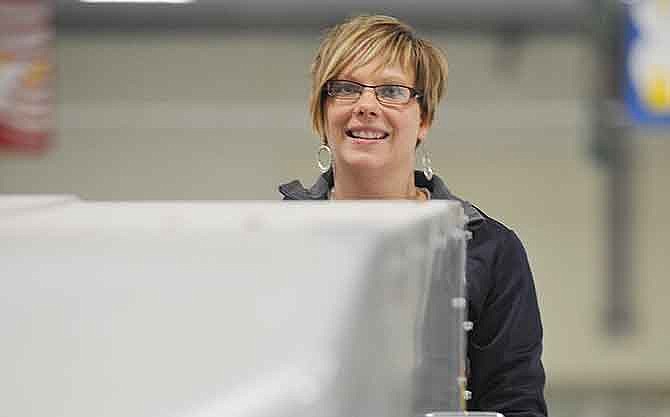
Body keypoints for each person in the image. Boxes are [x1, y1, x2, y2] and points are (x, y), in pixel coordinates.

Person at [278, 14, 547, 417]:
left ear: (424, 119)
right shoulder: (275, 240)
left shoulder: (488, 249)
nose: (366, 105)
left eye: (391, 90)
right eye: (346, 89)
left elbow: (516, 403)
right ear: (321, 113)